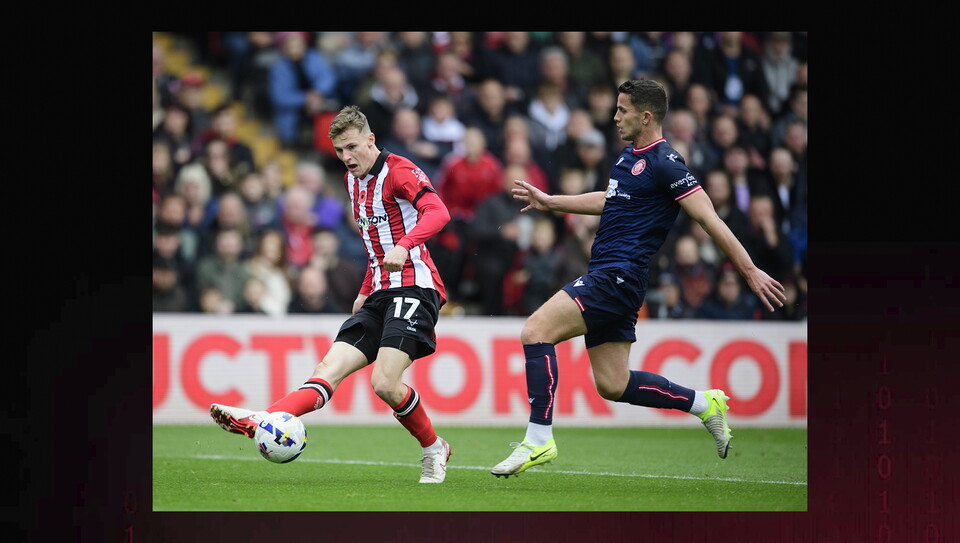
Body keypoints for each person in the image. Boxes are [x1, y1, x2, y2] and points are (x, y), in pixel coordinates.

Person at [491, 78, 786, 478]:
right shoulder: (629, 158)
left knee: (535, 331)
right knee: (613, 384)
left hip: (618, 277)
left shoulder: (667, 164)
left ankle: (538, 440)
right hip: (613, 279)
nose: (614, 117)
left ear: (646, 116)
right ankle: (705, 404)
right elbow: (609, 200)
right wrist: (550, 202)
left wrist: (749, 270)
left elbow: (708, 217)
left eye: (622, 110)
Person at [210, 105, 454, 484]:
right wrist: (364, 289)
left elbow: (438, 213)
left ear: (371, 139)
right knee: (327, 369)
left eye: (353, 147)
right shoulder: (351, 181)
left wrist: (405, 246)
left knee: (385, 384)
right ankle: (266, 419)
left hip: (414, 285)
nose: (347, 158)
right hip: (378, 291)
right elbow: (374, 244)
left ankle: (434, 448)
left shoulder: (400, 172)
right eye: (340, 151)